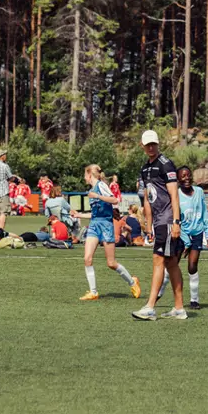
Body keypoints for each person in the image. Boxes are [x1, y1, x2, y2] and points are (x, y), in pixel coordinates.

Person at [132, 130, 186, 321]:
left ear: (158, 144)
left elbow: (174, 195)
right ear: (143, 146)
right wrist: (148, 225)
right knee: (171, 264)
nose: (151, 147)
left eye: (154, 144)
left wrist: (176, 222)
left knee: (159, 261)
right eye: (148, 145)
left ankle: (150, 307)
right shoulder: (145, 168)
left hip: (168, 220)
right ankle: (179, 308)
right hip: (158, 222)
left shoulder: (166, 164)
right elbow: (147, 198)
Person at [77, 164, 141, 301]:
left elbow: (114, 199)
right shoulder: (92, 190)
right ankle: (93, 292)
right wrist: (78, 215)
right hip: (94, 225)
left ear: (89, 174)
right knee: (87, 258)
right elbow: (95, 214)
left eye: (84, 175)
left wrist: (98, 196)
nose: (84, 178)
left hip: (106, 225)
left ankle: (132, 282)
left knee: (111, 263)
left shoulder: (100, 186)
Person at [177, 165, 208, 310]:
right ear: (178, 179)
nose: (186, 178)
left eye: (188, 175)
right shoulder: (176, 194)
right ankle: (159, 293)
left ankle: (194, 300)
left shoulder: (199, 191)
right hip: (181, 234)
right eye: (183, 176)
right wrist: (185, 241)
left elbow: (204, 213)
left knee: (192, 266)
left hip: (197, 233)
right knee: (172, 264)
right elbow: (176, 219)